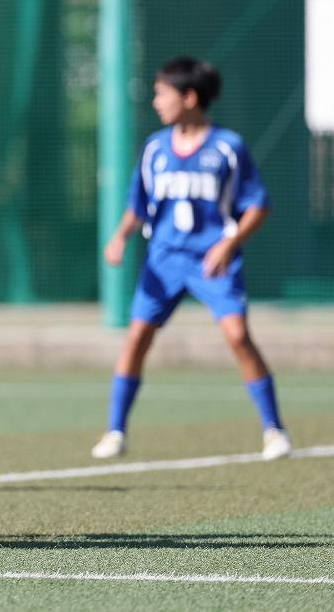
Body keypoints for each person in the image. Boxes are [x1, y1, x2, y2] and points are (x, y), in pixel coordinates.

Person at [92, 56, 289, 461]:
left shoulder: (228, 147)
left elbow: (258, 205)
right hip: (164, 260)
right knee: (137, 338)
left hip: (213, 261)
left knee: (238, 336)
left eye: (162, 93)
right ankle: (115, 431)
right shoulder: (154, 148)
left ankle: (274, 430)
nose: (156, 102)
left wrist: (229, 244)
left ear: (190, 97)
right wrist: (120, 237)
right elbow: (138, 205)